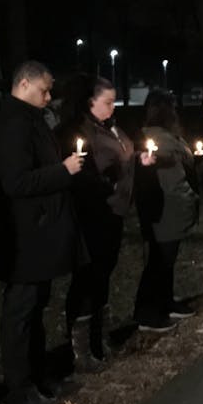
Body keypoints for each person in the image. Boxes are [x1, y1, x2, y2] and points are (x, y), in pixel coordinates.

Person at [0, 61, 86, 404]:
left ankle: (39, 375)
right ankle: (20, 388)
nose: (48, 97)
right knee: (21, 313)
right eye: (44, 90)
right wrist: (63, 171)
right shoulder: (14, 123)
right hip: (24, 238)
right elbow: (15, 182)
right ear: (24, 83)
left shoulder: (29, 119)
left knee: (35, 308)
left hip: (37, 235)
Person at [55, 76, 154, 371]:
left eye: (114, 101)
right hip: (93, 215)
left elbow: (123, 155)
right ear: (90, 102)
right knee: (87, 278)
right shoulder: (80, 132)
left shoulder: (109, 126)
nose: (113, 107)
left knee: (103, 277)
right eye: (108, 102)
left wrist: (139, 159)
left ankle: (101, 340)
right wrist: (106, 184)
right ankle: (81, 351)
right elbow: (82, 175)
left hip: (114, 214)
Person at [133, 89, 200, 331]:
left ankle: (166, 302)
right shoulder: (157, 139)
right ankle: (147, 313)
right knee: (159, 262)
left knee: (167, 261)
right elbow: (156, 166)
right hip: (166, 209)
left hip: (176, 205)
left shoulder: (170, 136)